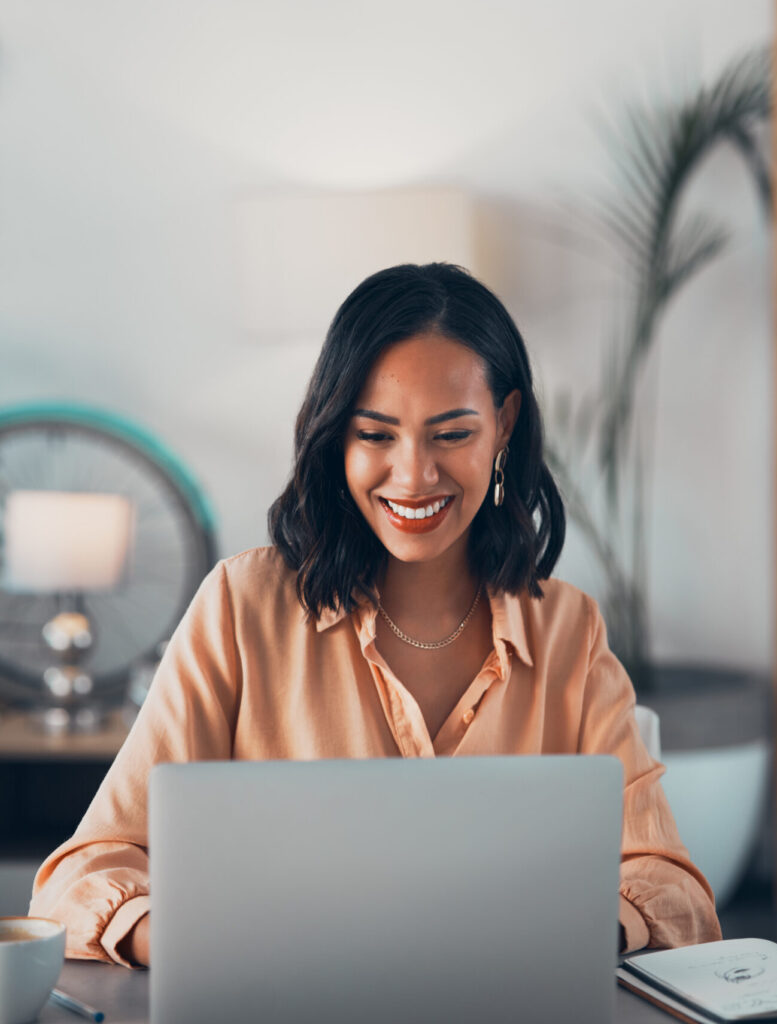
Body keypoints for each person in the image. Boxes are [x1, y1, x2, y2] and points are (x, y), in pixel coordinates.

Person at [30, 262, 721, 967]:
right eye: (376, 434)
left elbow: (671, 887)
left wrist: (564, 934)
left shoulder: (569, 632)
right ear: (336, 438)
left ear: (504, 425)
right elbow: (80, 877)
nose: (414, 475)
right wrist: (195, 940)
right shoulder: (239, 608)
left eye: (451, 434)